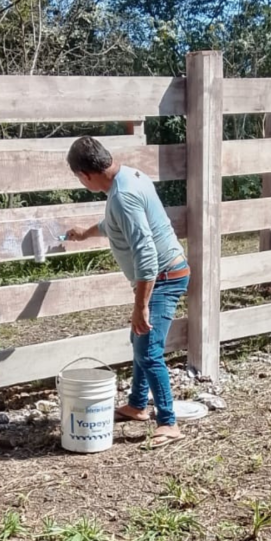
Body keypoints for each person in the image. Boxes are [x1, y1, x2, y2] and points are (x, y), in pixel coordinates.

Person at [64, 136, 189, 448]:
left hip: (163, 276)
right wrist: (85, 233)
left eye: (78, 178)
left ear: (85, 175)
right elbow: (113, 224)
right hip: (163, 274)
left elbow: (146, 254)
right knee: (140, 340)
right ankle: (136, 405)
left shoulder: (123, 196)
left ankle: (168, 422)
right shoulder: (129, 177)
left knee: (148, 349)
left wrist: (141, 305)